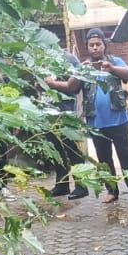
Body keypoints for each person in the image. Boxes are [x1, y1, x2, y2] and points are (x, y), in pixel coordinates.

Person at [81, 29, 128, 204]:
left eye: (98, 44)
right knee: (104, 160)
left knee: (126, 156)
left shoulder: (114, 61)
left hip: (118, 121)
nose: (95, 48)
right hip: (95, 124)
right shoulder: (84, 68)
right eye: (91, 45)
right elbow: (72, 86)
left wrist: (112, 68)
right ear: (87, 48)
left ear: (104, 45)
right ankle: (112, 191)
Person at [41, 52, 87, 199]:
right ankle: (62, 185)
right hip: (47, 112)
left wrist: (52, 84)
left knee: (72, 149)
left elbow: (76, 85)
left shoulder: (69, 59)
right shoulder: (40, 59)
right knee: (55, 149)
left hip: (65, 112)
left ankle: (81, 186)